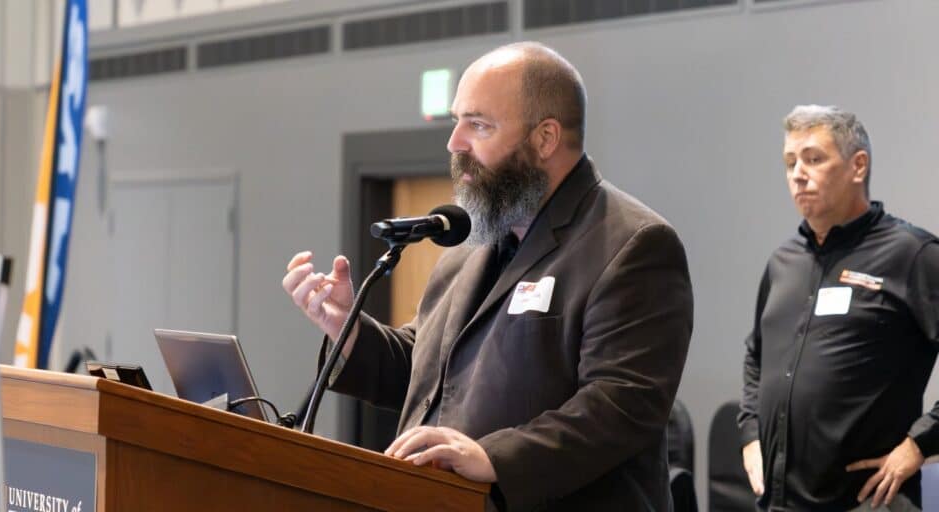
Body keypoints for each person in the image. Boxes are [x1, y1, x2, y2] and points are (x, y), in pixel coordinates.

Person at [282, 42, 693, 511]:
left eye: (478, 124)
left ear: (545, 138)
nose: (455, 143)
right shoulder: (473, 244)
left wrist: (492, 457)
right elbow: (427, 372)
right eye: (457, 121)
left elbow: (621, 405)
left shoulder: (632, 244)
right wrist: (348, 330)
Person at [739, 105, 939, 511]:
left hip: (867, 501)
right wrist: (749, 435)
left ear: (858, 166)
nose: (798, 173)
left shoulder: (912, 255)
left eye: (814, 158)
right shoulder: (783, 263)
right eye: (790, 162)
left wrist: (920, 444)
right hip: (780, 502)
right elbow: (756, 355)